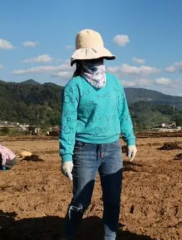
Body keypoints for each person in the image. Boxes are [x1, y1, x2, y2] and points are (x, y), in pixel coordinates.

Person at [59, 29, 138, 240]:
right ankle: (68, 235)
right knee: (81, 201)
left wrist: (130, 139)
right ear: (81, 60)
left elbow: (123, 112)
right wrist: (66, 156)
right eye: (90, 57)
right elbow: (67, 123)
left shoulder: (114, 83)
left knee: (113, 199)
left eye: (98, 56)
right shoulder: (74, 86)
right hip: (84, 149)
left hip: (112, 149)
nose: (95, 60)